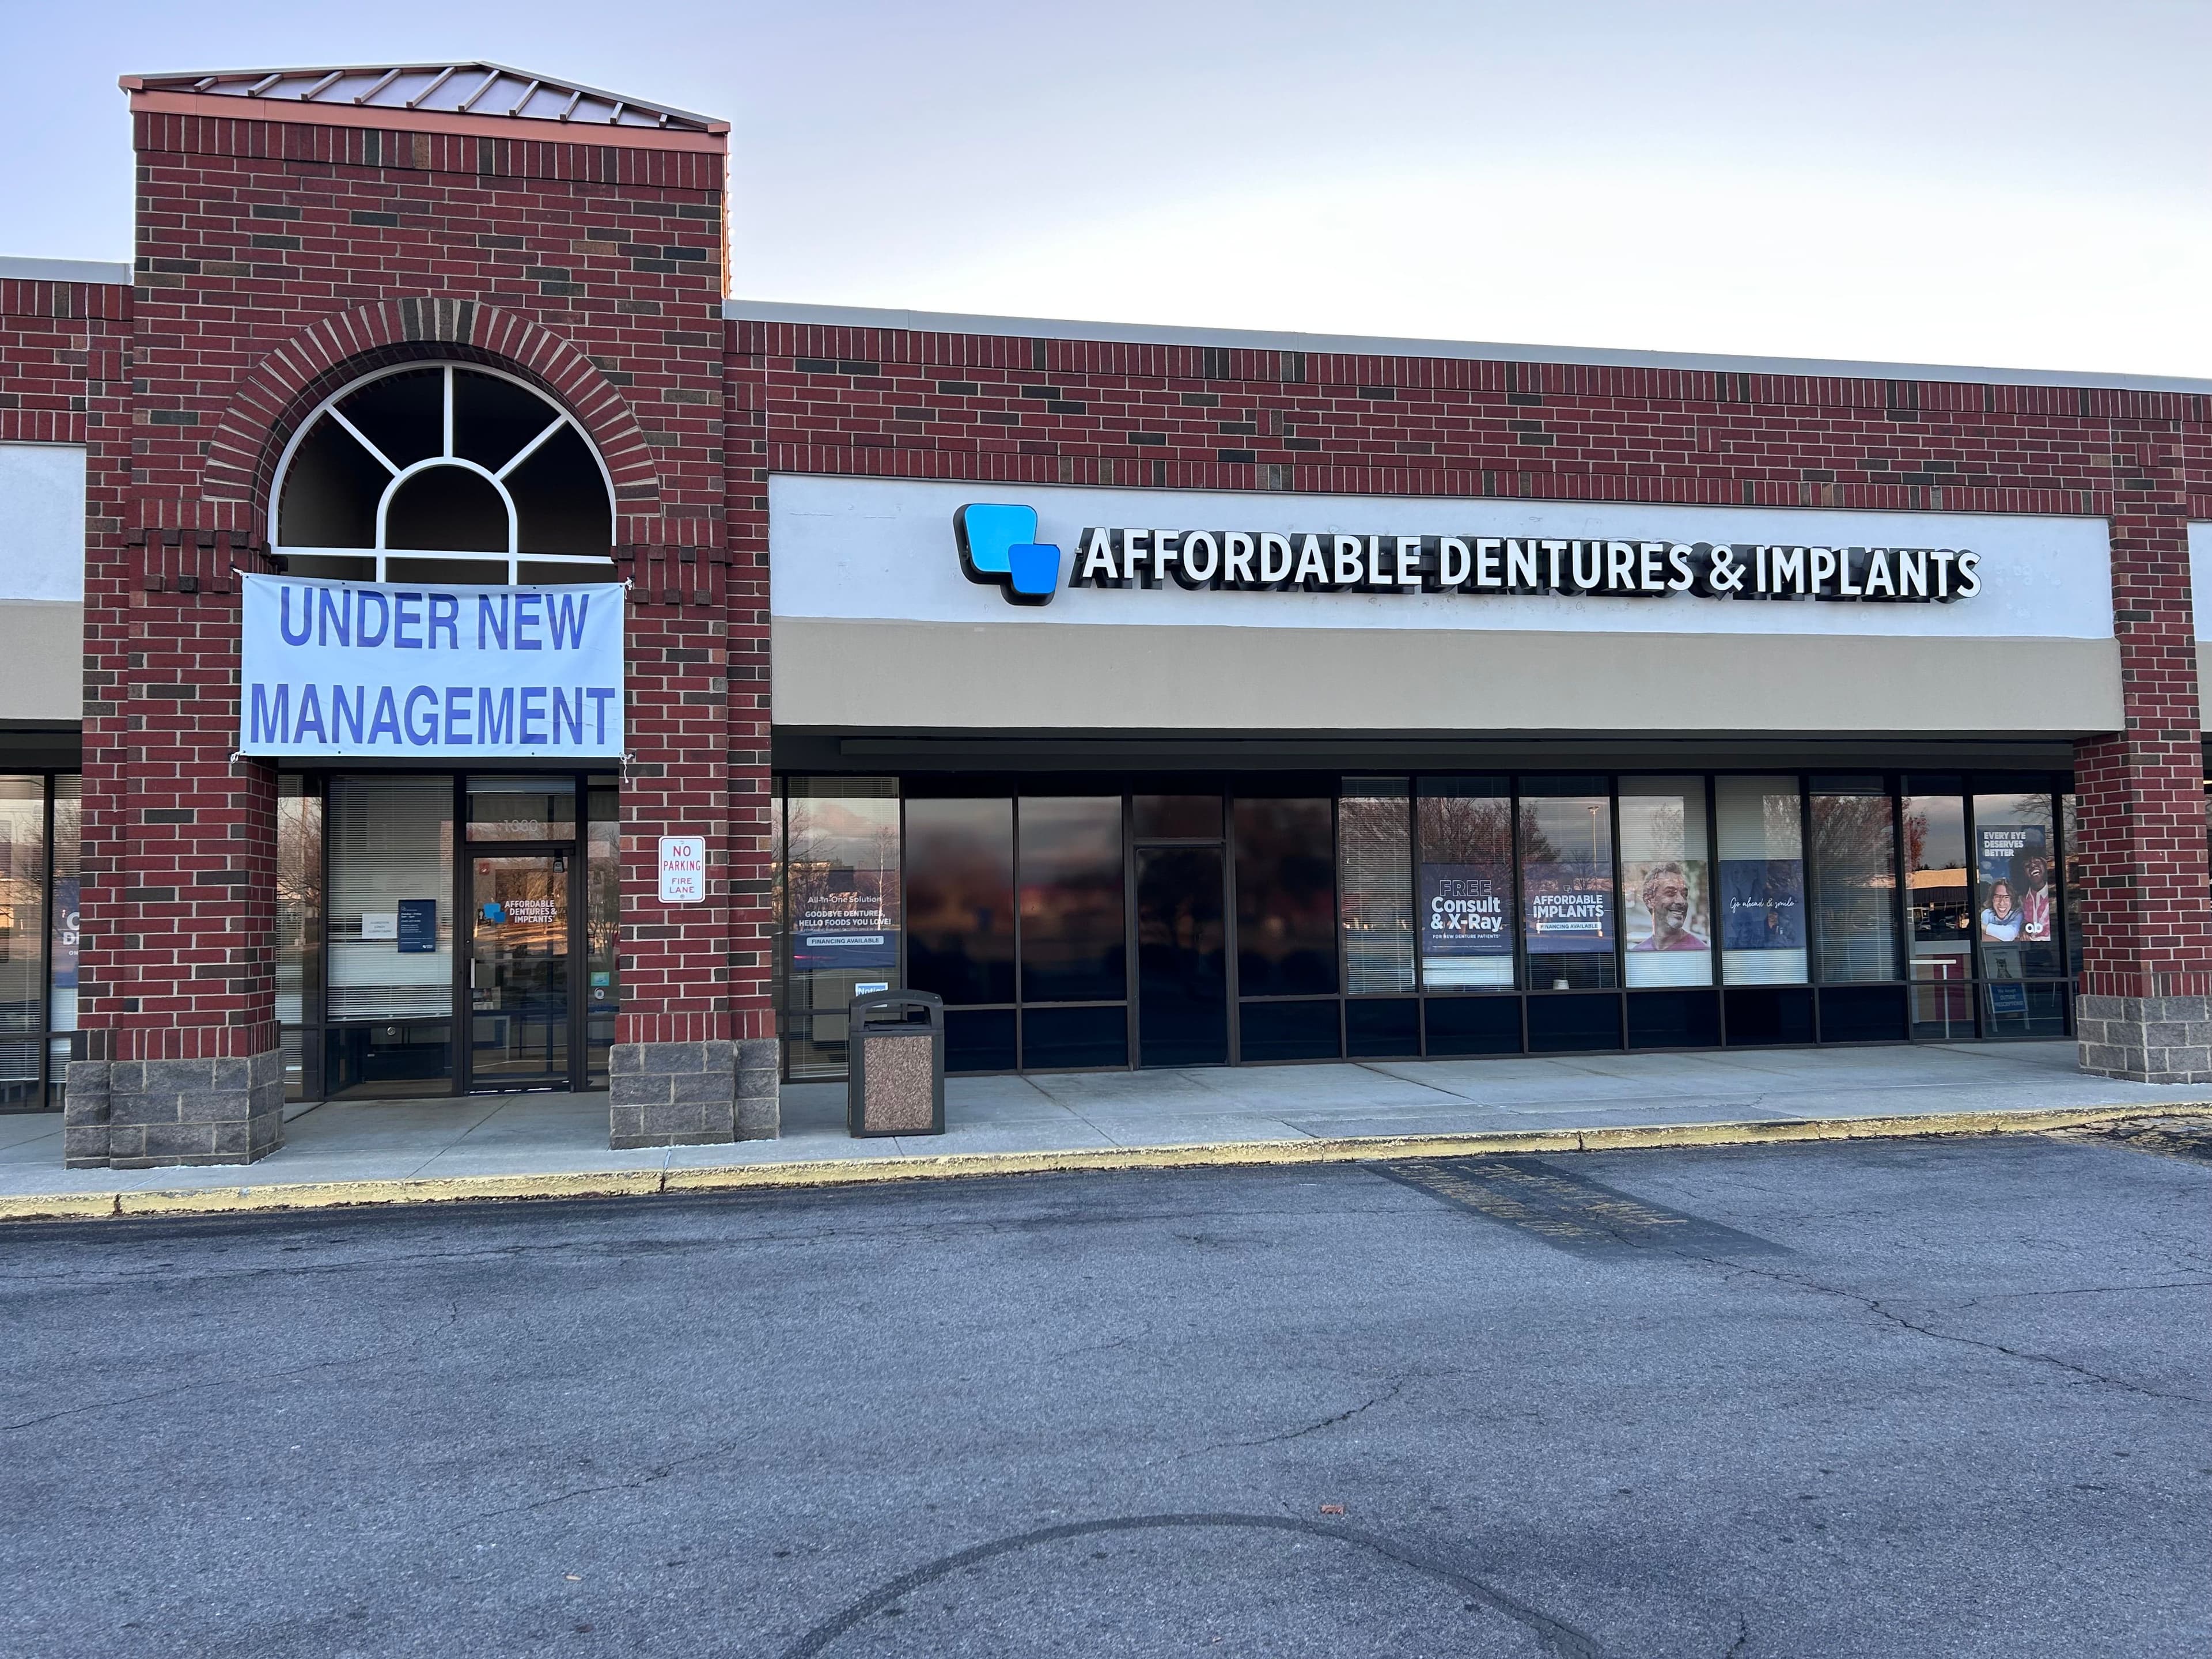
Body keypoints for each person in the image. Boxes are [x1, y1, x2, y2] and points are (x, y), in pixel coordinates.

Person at [1631, 861, 1707, 951]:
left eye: (1684, 894)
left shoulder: (1700, 952)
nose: (1681, 901)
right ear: (1649, 900)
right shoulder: (1639, 953)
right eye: (1671, 893)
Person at [2016, 854, 2052, 942]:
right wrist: (2023, 931)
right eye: (2027, 865)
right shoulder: (2021, 900)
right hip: (2030, 948)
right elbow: (2019, 922)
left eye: (2037, 862)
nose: (2033, 866)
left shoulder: (2055, 895)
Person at [1980, 878, 2023, 942]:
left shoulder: (2018, 913)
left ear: (2012, 900)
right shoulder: (1987, 914)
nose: (2002, 903)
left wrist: (1982, 927)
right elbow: (1982, 938)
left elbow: (2010, 934)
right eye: (1998, 897)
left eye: (2006, 898)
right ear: (1992, 899)